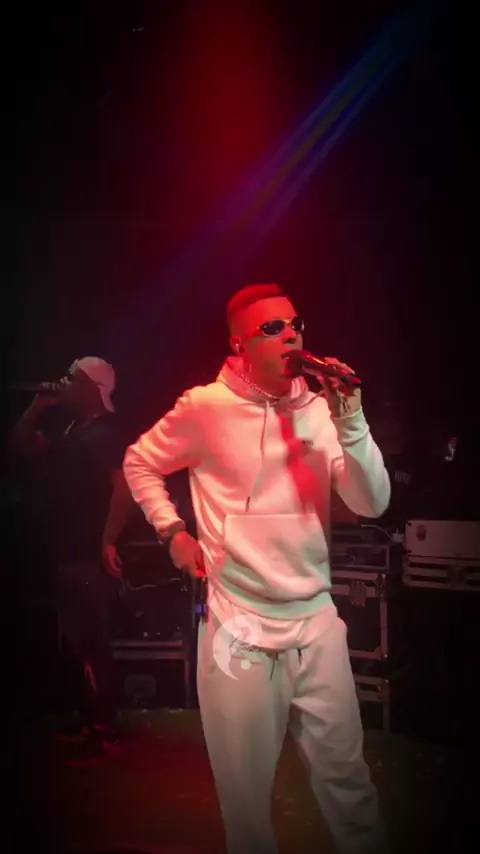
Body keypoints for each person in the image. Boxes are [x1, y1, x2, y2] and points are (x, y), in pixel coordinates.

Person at [123, 284, 391, 853]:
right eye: (272, 328)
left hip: (316, 623)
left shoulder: (321, 409)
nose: (290, 334)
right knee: (245, 803)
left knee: (350, 787)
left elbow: (373, 503)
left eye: (295, 323)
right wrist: (172, 531)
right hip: (238, 626)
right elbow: (140, 461)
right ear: (239, 344)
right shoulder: (205, 408)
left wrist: (351, 419)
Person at [9, 356, 134, 760]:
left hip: (86, 554)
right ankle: (89, 720)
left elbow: (124, 488)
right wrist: (36, 408)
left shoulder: (104, 434)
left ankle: (105, 729)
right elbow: (20, 447)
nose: (63, 382)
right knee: (76, 644)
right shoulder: (69, 430)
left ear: (92, 388)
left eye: (72, 378)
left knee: (93, 642)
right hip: (65, 551)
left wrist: (109, 539)